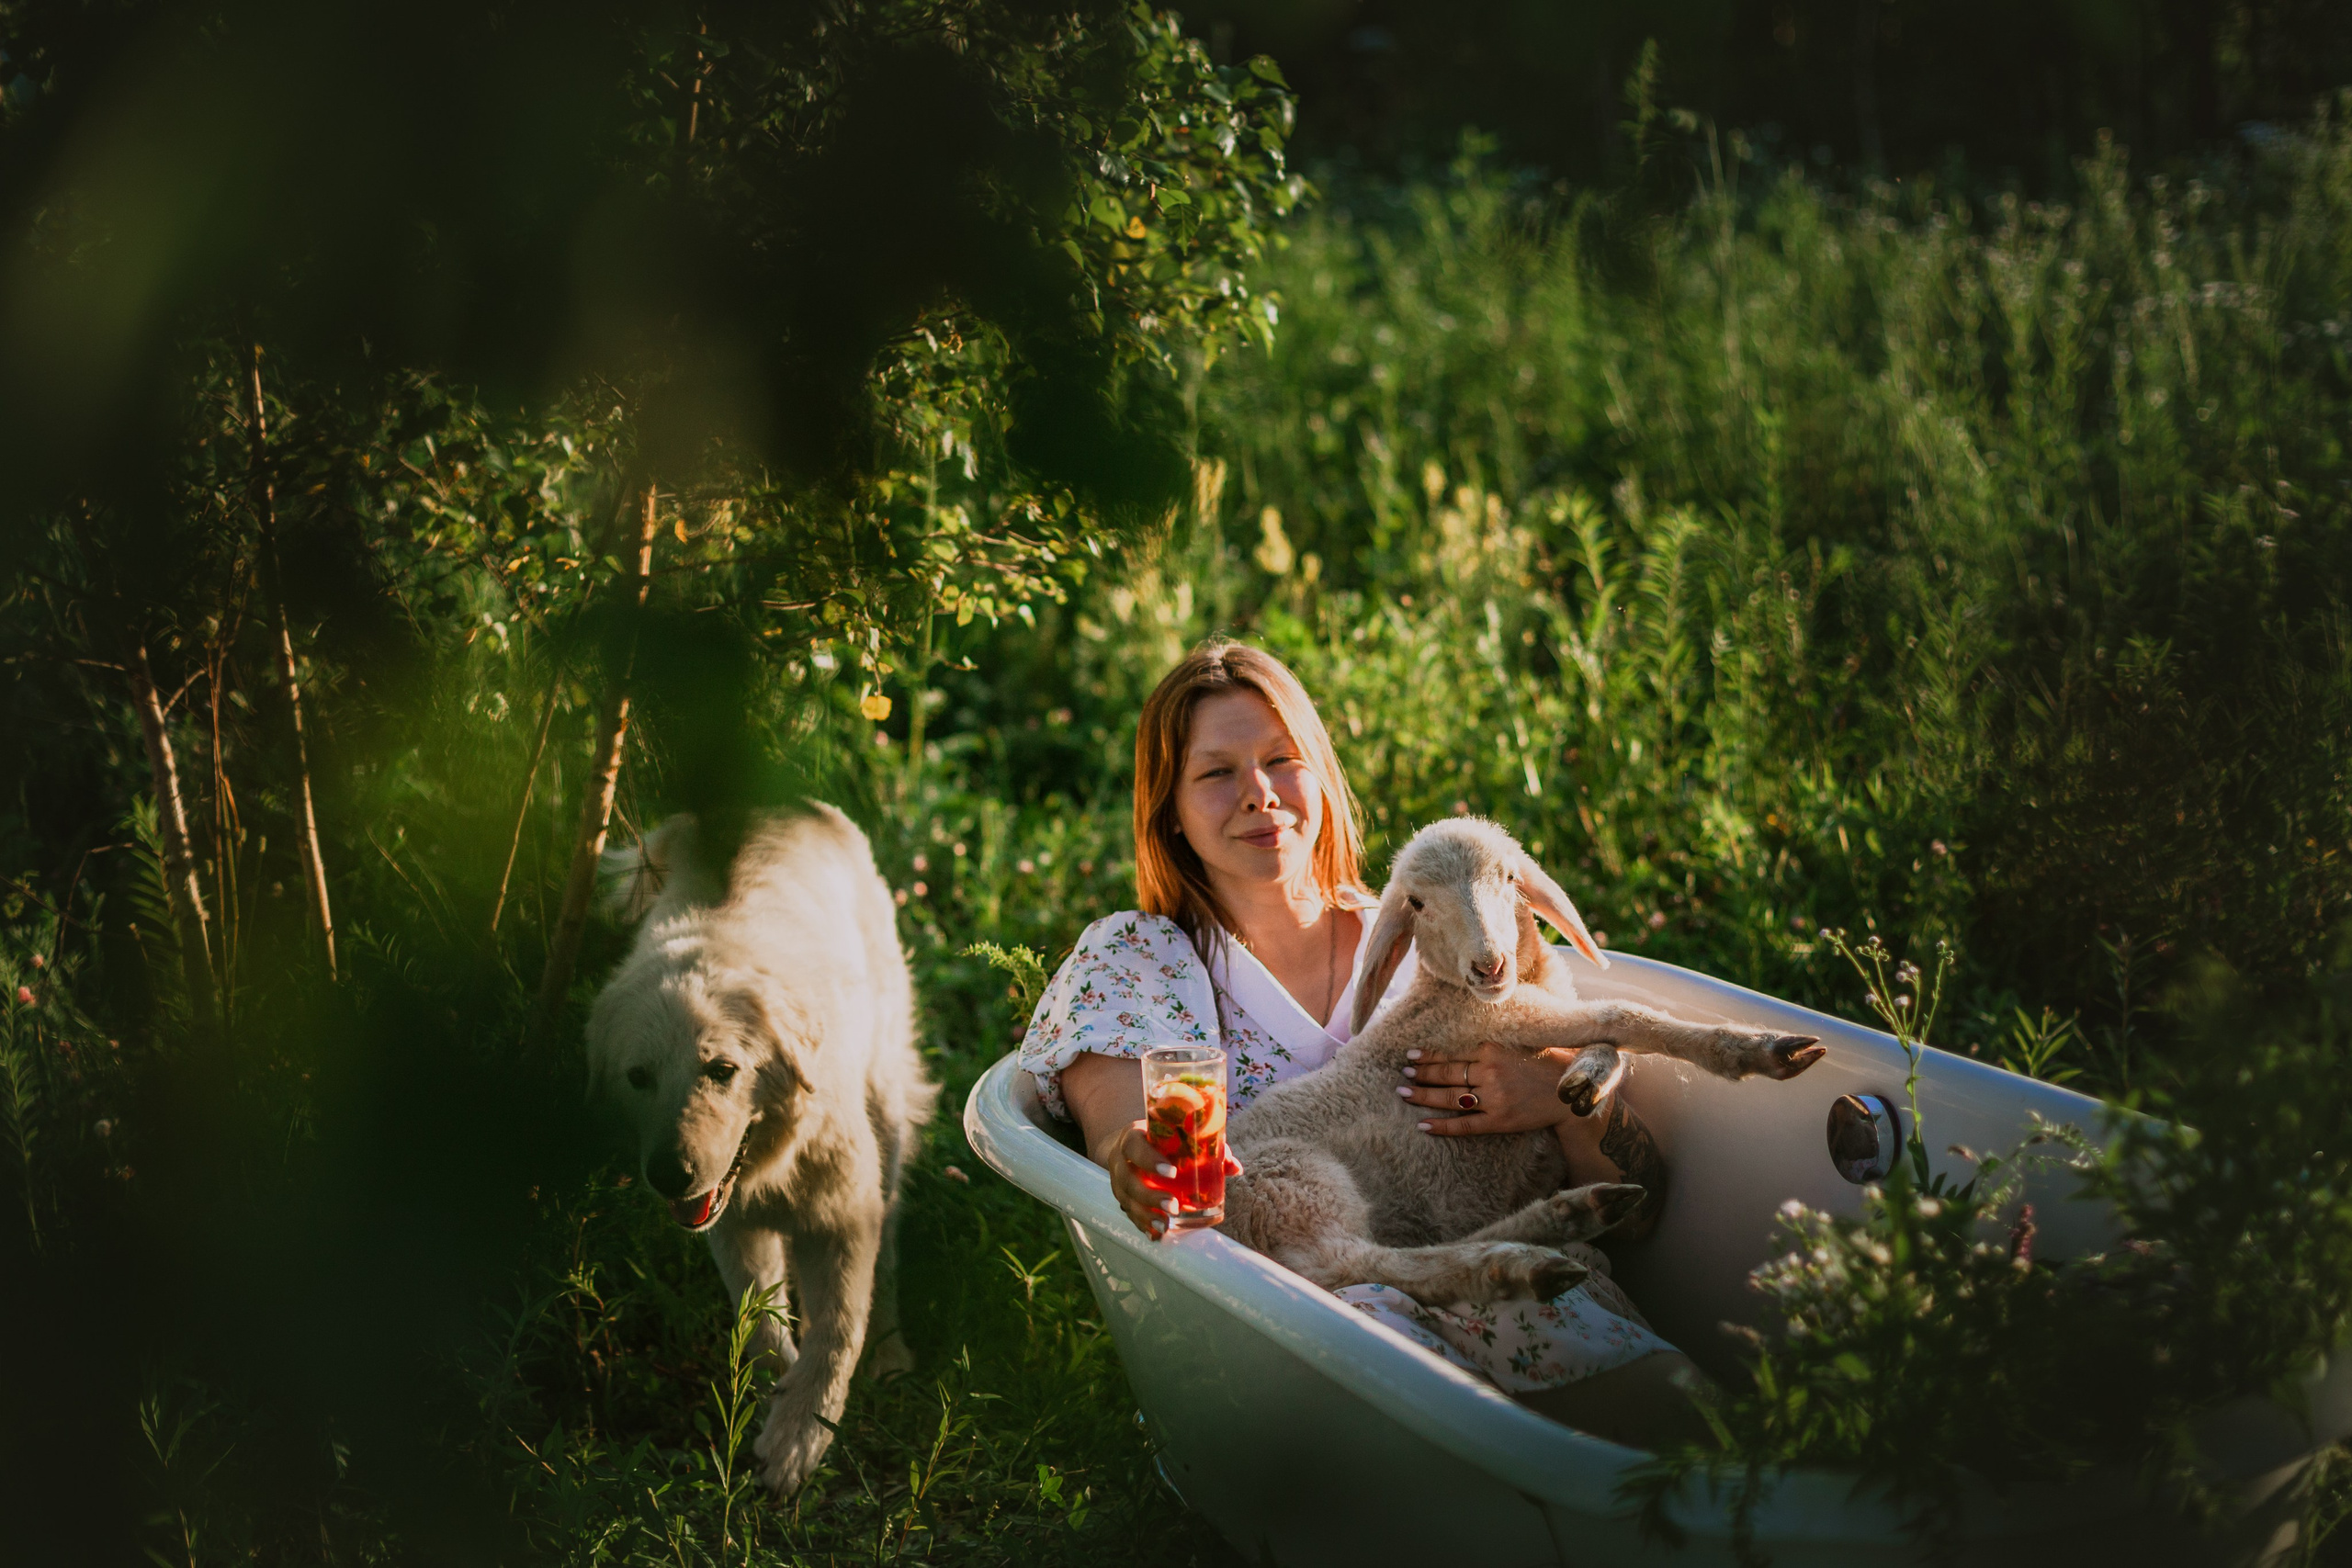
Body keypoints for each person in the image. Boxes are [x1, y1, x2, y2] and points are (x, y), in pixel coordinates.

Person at [1018, 638, 1712, 1450]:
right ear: (1168, 807)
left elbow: (1637, 1209)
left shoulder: (1444, 928)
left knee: (1692, 1428)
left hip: (1521, 1270)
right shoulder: (1142, 957)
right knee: (1443, 1422)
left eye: (1282, 759)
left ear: (1319, 773)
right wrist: (1137, 1154)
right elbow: (1124, 1131)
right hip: (1308, 1309)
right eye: (1216, 773)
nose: (1260, 795)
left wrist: (1557, 1099)